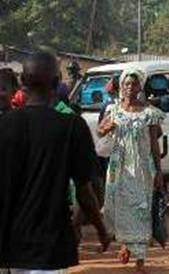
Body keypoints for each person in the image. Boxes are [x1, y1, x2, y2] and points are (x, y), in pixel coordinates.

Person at [0, 52, 110, 273]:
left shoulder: (5, 125)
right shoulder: (72, 126)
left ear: (22, 82)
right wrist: (100, 229)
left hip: (9, 243)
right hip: (49, 243)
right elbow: (85, 189)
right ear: (57, 82)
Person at [98, 68, 165, 274]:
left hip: (142, 169)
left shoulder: (149, 112)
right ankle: (125, 245)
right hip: (119, 169)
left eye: (133, 84)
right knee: (121, 209)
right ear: (121, 86)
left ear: (140, 87)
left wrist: (159, 172)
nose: (129, 88)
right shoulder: (114, 109)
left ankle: (140, 261)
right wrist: (109, 126)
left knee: (141, 210)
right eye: (126, 84)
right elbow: (100, 131)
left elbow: (154, 144)